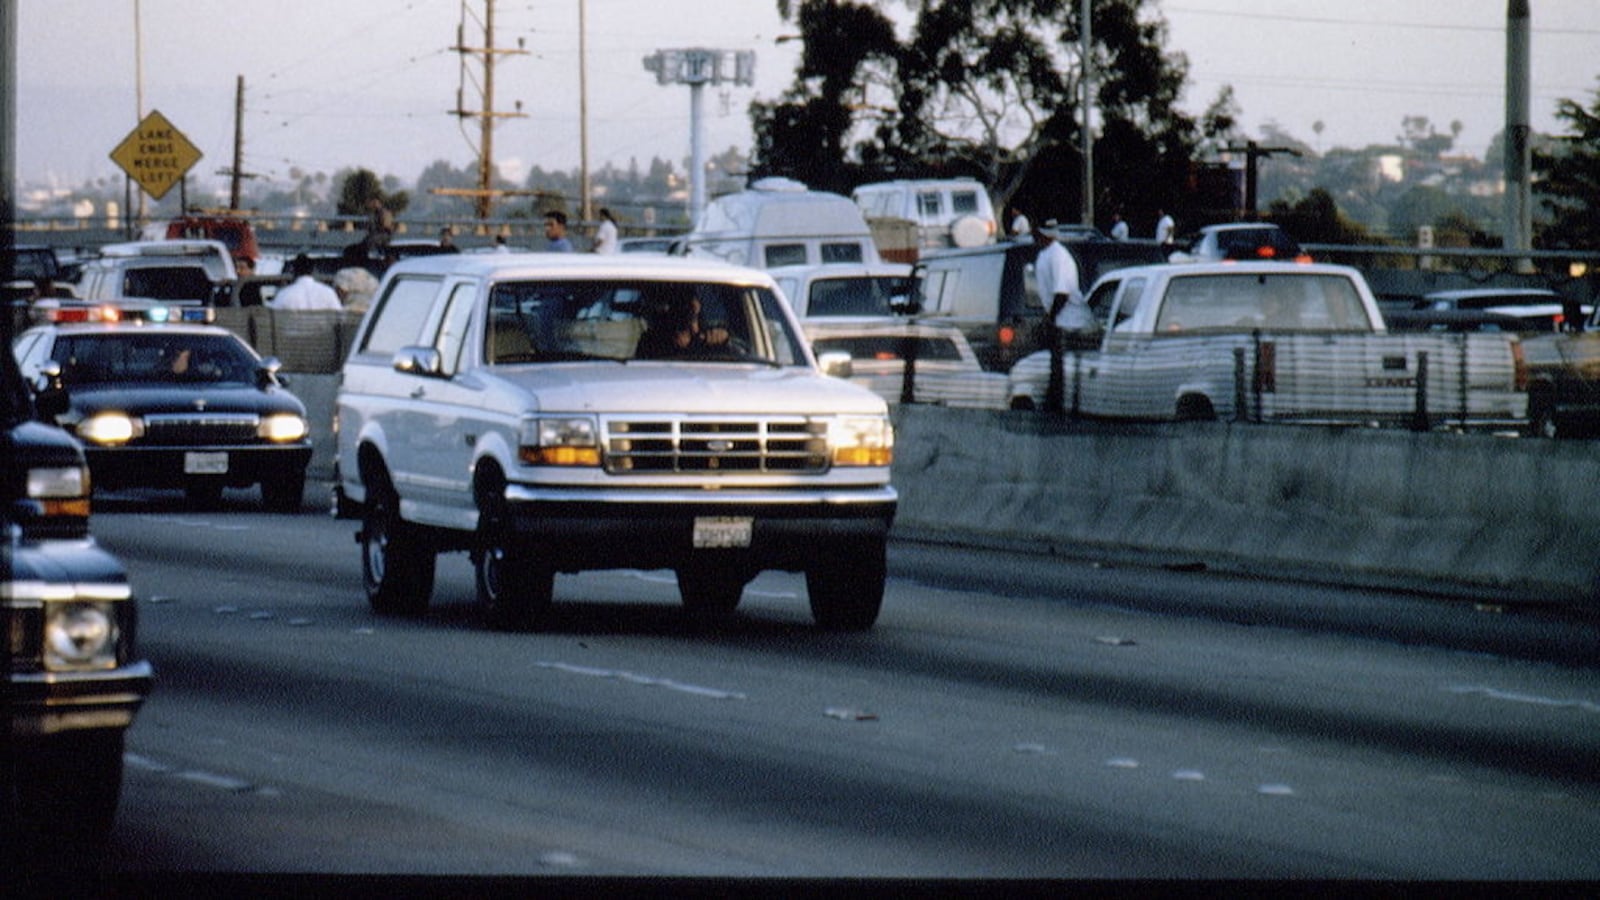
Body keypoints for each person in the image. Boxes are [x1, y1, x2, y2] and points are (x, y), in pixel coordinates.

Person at [1035, 220, 1090, 344]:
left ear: (1042, 234)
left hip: (1070, 324)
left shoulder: (1059, 255)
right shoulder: (1045, 254)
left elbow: (1062, 293)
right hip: (1060, 322)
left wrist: (1050, 319)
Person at [270, 254, 342, 311]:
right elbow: (340, 317)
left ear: (294, 271)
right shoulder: (328, 292)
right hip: (322, 329)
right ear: (313, 270)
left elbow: (274, 317)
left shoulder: (284, 295)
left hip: (294, 329)